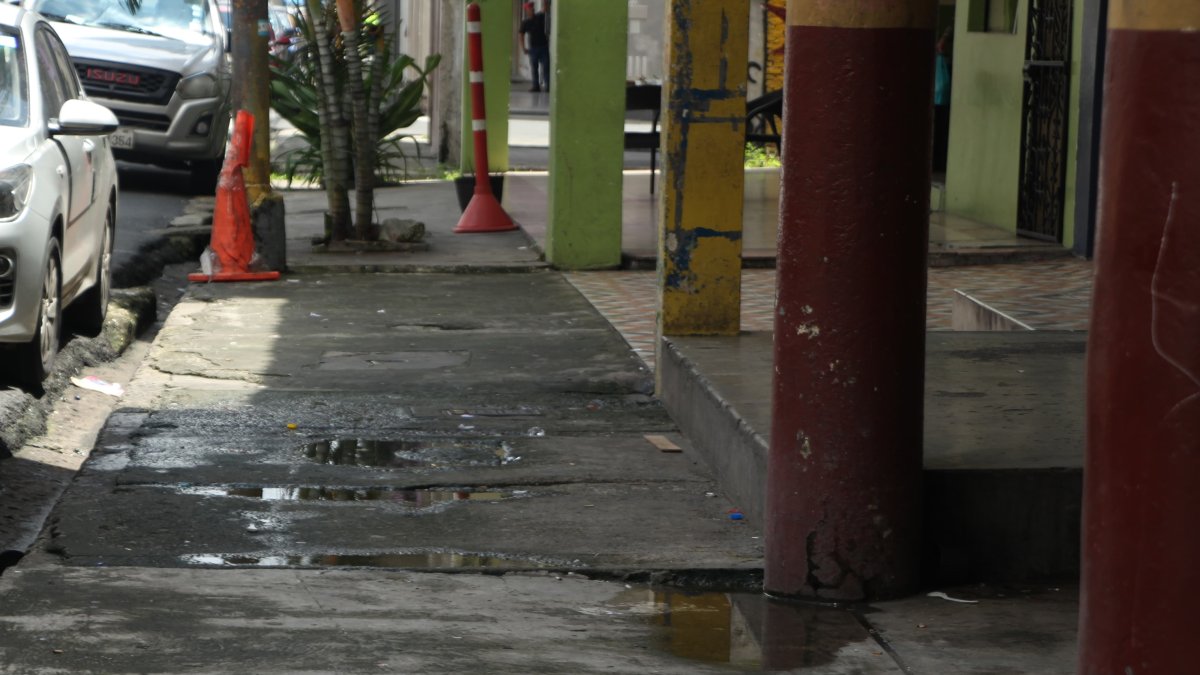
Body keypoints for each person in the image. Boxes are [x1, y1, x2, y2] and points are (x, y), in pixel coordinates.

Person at [519, 2, 549, 93]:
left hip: (543, 47)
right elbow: (521, 35)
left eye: (532, 9)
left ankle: (548, 86)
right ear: (526, 11)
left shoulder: (540, 17)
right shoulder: (525, 22)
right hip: (533, 49)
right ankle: (536, 86)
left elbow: (545, 9)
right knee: (534, 68)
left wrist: (545, 1)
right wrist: (523, 47)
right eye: (529, 9)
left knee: (546, 67)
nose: (531, 10)